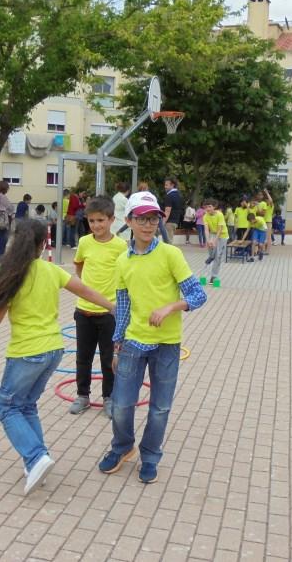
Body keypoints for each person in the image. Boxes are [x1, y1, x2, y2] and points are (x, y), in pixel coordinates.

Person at [0, 219, 114, 495]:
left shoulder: (10, 274)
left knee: (7, 408)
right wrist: (114, 307)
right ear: (43, 243)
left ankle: (35, 457)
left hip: (26, 352)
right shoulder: (51, 270)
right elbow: (86, 291)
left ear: (14, 242)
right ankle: (37, 461)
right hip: (54, 350)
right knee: (27, 405)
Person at [98, 192, 207, 484]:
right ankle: (123, 448)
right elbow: (122, 305)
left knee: (160, 407)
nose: (148, 225)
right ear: (129, 221)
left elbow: (198, 295)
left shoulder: (171, 254)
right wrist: (117, 344)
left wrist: (171, 306)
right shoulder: (123, 261)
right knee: (121, 404)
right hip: (133, 343)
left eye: (153, 219)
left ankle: (150, 455)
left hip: (166, 345)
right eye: (142, 219)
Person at [70, 196, 128, 418]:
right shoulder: (85, 242)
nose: (96, 225)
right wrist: (89, 290)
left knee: (108, 359)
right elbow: (79, 266)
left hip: (109, 312)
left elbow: (126, 274)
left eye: (101, 220)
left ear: (112, 219)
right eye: (92, 221)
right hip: (84, 310)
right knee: (82, 356)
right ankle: (82, 395)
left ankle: (109, 398)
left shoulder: (121, 246)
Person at [202, 198, 228, 284]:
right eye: (206, 207)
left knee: (218, 257)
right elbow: (206, 229)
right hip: (213, 233)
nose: (208, 209)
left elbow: (220, 230)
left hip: (222, 236)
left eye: (209, 206)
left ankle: (214, 276)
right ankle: (212, 256)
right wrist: (208, 240)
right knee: (211, 252)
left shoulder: (219, 215)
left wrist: (215, 241)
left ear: (214, 207)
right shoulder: (205, 216)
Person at [0, 180, 15, 263]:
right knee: (3, 241)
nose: (8, 189)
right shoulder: (2, 196)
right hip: (4, 223)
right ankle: (0, 260)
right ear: (4, 187)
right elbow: (10, 207)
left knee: (0, 241)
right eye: (7, 187)